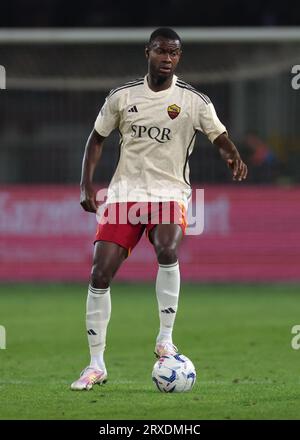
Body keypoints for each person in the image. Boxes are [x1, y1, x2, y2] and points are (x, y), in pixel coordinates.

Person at [71, 27, 248, 390]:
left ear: (179, 58)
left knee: (167, 249)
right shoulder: (123, 97)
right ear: (147, 52)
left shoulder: (193, 100)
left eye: (174, 53)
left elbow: (220, 136)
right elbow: (97, 138)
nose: (167, 58)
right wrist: (86, 183)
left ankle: (165, 338)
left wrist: (233, 156)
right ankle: (95, 365)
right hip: (124, 195)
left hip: (170, 193)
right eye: (161, 51)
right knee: (99, 274)